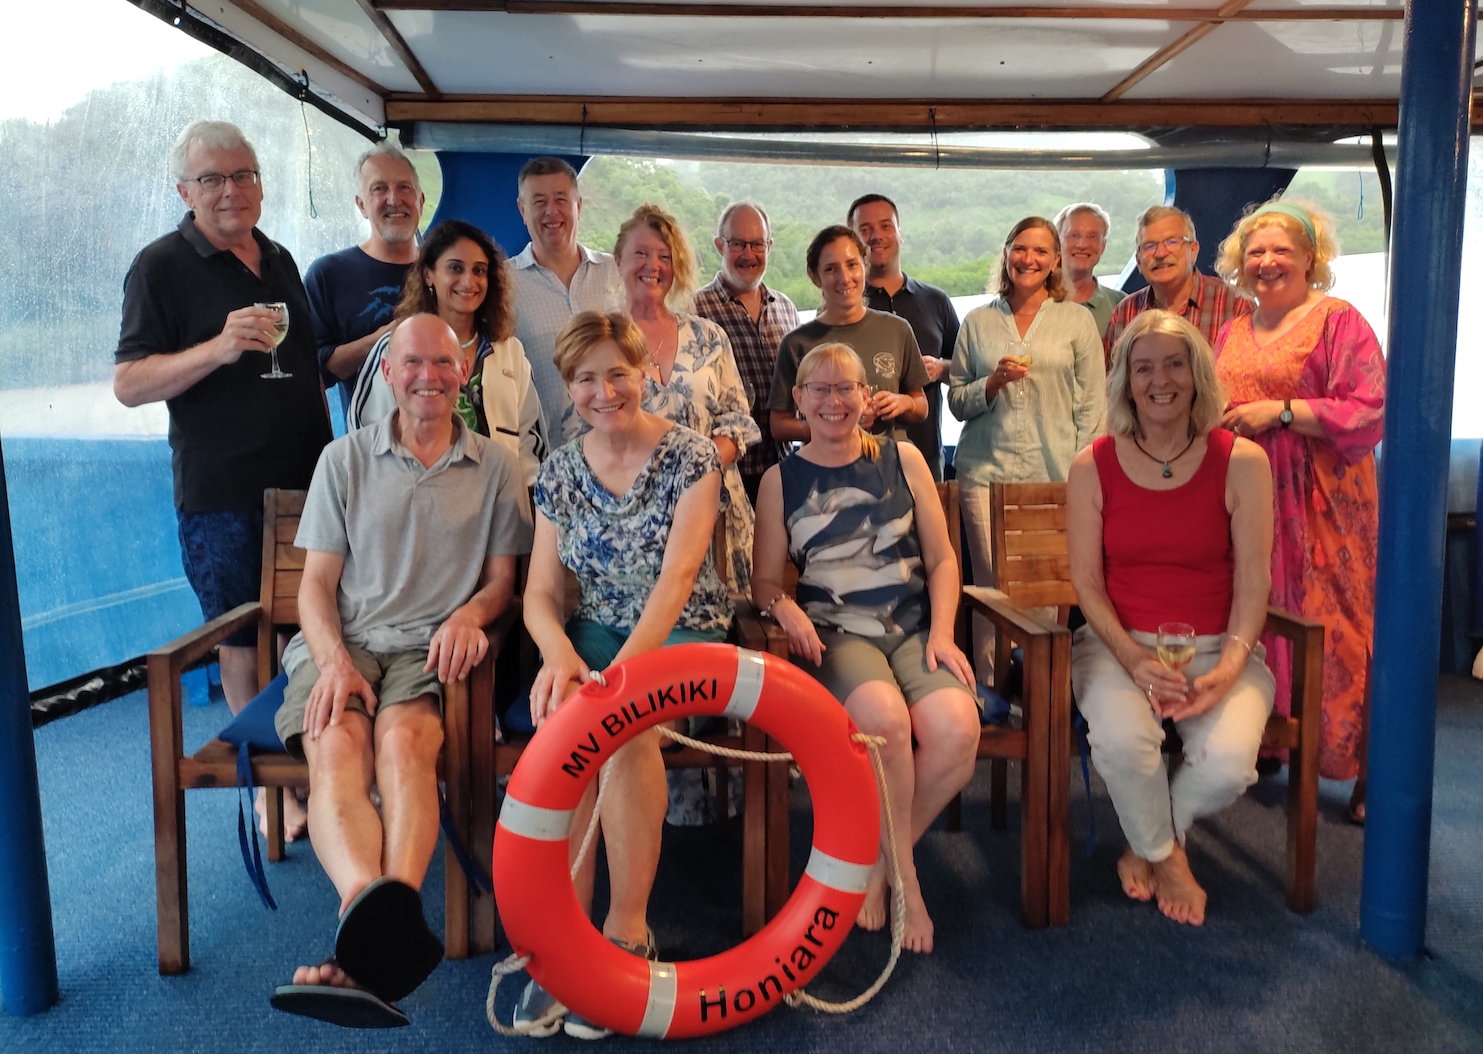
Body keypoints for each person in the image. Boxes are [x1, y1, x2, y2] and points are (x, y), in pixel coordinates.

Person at [271, 314, 532, 1026]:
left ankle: (368, 937)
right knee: (337, 744)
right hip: (346, 640)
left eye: (444, 364)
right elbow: (315, 586)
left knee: (404, 745)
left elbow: (501, 584)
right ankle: (372, 913)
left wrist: (469, 617)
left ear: (463, 373)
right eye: (412, 362)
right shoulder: (343, 459)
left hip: (429, 649)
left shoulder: (497, 467)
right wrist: (330, 662)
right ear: (386, 373)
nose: (429, 376)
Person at [114, 119, 331, 840]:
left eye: (243, 175)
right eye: (212, 179)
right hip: (223, 493)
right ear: (185, 190)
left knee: (312, 625)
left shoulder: (279, 257)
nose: (231, 190)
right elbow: (129, 383)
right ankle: (266, 790)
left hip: (307, 485)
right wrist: (216, 347)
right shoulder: (158, 267)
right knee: (242, 638)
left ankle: (313, 770)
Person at [515, 310, 729, 1039]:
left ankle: (626, 934)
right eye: (584, 378)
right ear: (568, 386)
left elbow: (678, 581)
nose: (603, 391)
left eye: (617, 373)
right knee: (563, 735)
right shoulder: (561, 469)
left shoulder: (694, 457)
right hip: (593, 632)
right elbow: (539, 594)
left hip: (682, 632)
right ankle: (565, 947)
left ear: (643, 375)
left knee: (623, 730)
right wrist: (561, 655)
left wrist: (615, 680)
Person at [752, 342, 979, 954]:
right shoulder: (781, 479)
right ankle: (907, 881)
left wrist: (942, 630)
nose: (833, 402)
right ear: (797, 400)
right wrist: (785, 607)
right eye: (818, 390)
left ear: (865, 398)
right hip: (838, 637)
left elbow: (941, 558)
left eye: (846, 388)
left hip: (914, 629)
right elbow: (765, 581)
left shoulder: (904, 460)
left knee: (957, 728)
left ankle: (875, 865)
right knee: (884, 721)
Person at [1067, 309, 1275, 927]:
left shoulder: (1243, 461)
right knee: (1126, 744)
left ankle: (1149, 841)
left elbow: (1254, 580)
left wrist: (1232, 663)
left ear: (1197, 373)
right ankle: (1172, 860)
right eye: (1144, 367)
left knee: (1231, 765)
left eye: (1175, 364)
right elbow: (1086, 584)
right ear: (1126, 381)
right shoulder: (1092, 465)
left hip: (1220, 646)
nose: (1161, 380)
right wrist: (1134, 660)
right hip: (1117, 648)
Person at [1213, 200, 1384, 819]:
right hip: (1252, 499)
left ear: (1311, 257)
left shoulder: (1339, 321)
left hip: (1325, 499)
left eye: (1281, 250)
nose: (1267, 262)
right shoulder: (1231, 329)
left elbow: (1370, 408)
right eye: (1255, 252)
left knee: (1340, 624)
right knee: (1260, 613)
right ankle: (1274, 742)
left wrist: (1283, 411)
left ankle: (1366, 768)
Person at [947, 216, 1106, 688]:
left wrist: (1079, 480)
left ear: (1055, 261)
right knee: (994, 588)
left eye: (1040, 252)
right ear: (1007, 253)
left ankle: (1041, 689)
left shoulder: (1077, 321)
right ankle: (989, 693)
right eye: (1020, 249)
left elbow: (1093, 409)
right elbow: (955, 401)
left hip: (1054, 475)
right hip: (984, 474)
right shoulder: (978, 322)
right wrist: (990, 384)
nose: (1029, 259)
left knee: (1045, 586)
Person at [565, 204, 758, 591]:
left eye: (664, 256)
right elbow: (579, 429)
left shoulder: (710, 336)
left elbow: (739, 421)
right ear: (618, 261)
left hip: (717, 510)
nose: (652, 265)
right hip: (635, 516)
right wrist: (657, 481)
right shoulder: (599, 339)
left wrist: (693, 474)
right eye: (641, 253)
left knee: (715, 635)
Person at [346, 220, 546, 486]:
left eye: (479, 270)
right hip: (414, 504)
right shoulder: (394, 348)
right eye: (455, 268)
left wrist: (525, 503)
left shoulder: (510, 351)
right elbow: (364, 433)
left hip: (499, 507)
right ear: (428, 274)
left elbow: (531, 440)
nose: (469, 281)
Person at [769, 226, 928, 448]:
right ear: (816, 277)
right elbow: (779, 425)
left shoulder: (897, 329)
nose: (844, 278)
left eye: (852, 265)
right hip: (825, 471)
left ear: (865, 265)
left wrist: (903, 403)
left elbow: (921, 406)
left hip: (890, 464)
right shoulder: (797, 343)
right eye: (831, 269)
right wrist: (833, 426)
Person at [692, 200, 801, 505]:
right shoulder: (694, 312)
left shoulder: (786, 309)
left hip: (783, 470)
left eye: (757, 244)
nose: (748, 254)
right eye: (738, 243)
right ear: (719, 246)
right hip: (726, 475)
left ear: (769, 246)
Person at [304, 141, 424, 414]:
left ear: (421, 201)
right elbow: (312, 372)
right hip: (370, 448)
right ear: (361, 205)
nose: (394, 199)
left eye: (404, 187)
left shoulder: (446, 271)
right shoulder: (328, 274)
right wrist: (382, 339)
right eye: (379, 189)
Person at [848, 193, 961, 481]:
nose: (876, 236)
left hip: (926, 458)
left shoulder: (936, 301)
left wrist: (940, 368)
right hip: (855, 461)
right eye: (864, 230)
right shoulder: (844, 307)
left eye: (886, 226)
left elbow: (966, 371)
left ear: (901, 234)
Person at [509, 158, 621, 440]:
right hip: (547, 458)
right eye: (538, 202)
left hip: (622, 450)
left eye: (561, 199)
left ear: (579, 206)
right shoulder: (502, 283)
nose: (551, 211)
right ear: (522, 210)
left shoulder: (617, 271)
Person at [1102, 206, 1251, 363]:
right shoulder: (1125, 312)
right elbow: (1109, 381)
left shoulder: (1234, 304)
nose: (1160, 253)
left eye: (1172, 242)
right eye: (1149, 246)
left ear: (1193, 251)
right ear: (1138, 260)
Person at [1055, 201, 1124, 342]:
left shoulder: (1121, 305)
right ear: (1056, 242)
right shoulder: (1034, 299)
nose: (1082, 244)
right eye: (1074, 235)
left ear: (1102, 246)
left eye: (1092, 236)